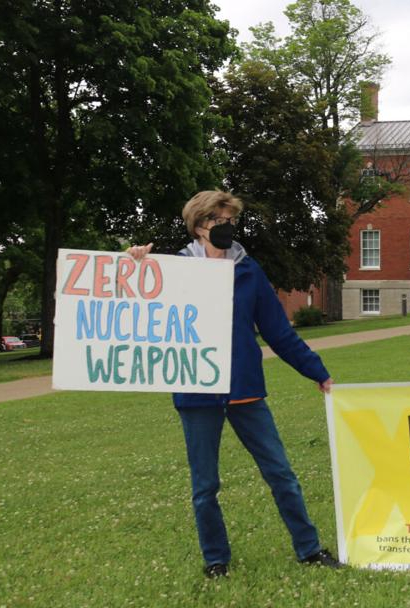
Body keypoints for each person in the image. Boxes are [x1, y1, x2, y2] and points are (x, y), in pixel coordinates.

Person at [128, 190, 341, 578]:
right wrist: (134, 268)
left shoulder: (249, 271)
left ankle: (309, 550)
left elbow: (279, 332)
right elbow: (139, 313)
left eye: (231, 221)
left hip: (245, 389)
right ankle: (216, 560)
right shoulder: (172, 269)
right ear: (198, 226)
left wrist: (317, 370)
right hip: (196, 393)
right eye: (218, 222)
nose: (227, 228)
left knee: (281, 474)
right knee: (205, 486)